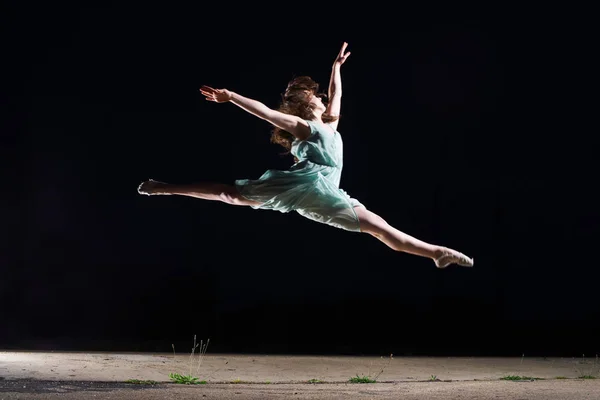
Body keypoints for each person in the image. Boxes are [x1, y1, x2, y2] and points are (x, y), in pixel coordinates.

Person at [138, 42, 474, 269]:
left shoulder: (329, 123)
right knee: (231, 195)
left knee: (382, 230)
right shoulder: (303, 126)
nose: (323, 98)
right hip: (309, 186)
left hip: (329, 190)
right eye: (316, 97)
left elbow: (338, 91)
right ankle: (162, 187)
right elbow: (266, 112)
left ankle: (436, 254)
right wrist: (232, 97)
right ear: (306, 104)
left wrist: (336, 66)